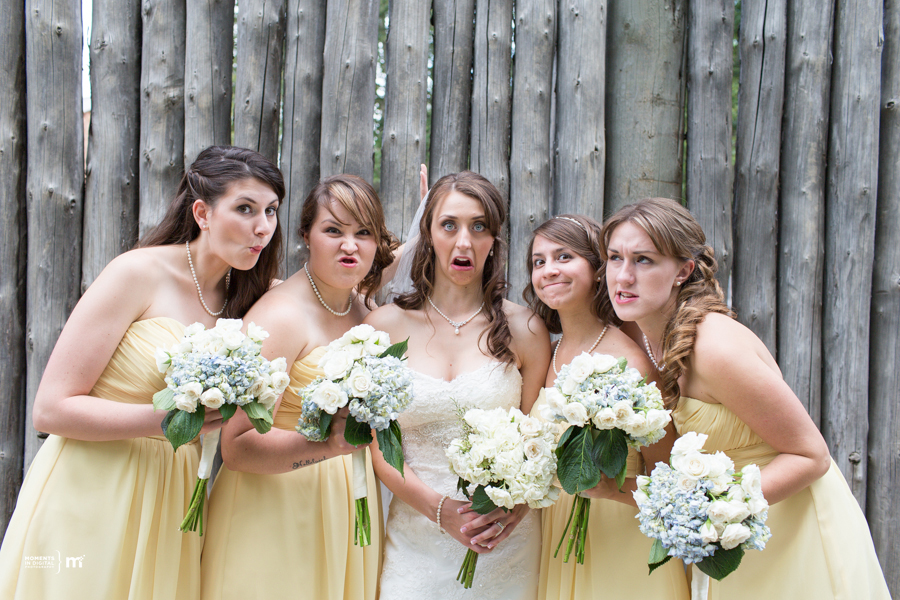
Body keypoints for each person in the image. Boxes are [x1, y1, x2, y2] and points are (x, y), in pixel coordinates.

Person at [0, 145, 285, 599]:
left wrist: (420, 238)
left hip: (172, 497)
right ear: (202, 213)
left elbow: (334, 290)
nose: (263, 227)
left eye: (271, 211)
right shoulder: (137, 273)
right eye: (245, 209)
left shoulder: (252, 298)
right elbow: (50, 409)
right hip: (95, 485)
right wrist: (167, 421)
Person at [600, 197, 891, 599]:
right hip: (736, 536)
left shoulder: (715, 348)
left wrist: (710, 515)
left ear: (683, 270)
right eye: (615, 258)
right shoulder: (646, 340)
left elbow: (812, 455)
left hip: (791, 530)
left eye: (644, 260)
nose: (623, 276)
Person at [200, 174, 398, 600]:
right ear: (306, 235)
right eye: (334, 231)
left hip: (346, 506)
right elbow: (235, 448)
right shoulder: (281, 317)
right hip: (274, 509)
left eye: (363, 233)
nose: (350, 246)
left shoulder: (364, 308)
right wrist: (329, 446)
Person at [365, 171, 551, 599]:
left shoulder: (526, 328)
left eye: (479, 226)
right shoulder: (383, 327)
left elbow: (538, 438)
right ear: (427, 233)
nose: (464, 242)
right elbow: (376, 446)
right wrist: (440, 511)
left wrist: (514, 509)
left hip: (504, 542)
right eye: (449, 225)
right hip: (415, 538)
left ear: (494, 241)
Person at [524, 214, 689, 600]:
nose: (549, 270)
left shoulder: (629, 363)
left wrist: (613, 490)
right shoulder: (551, 351)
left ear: (598, 269)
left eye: (564, 256)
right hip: (558, 533)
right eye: (539, 261)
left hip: (619, 540)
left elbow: (671, 480)